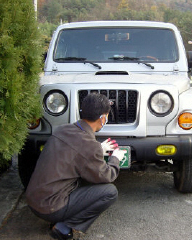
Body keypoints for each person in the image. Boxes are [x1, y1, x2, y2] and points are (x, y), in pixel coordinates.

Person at [25, 93, 126, 240]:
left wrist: (98, 148)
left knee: (83, 176)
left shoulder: (62, 130)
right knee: (109, 192)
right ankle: (64, 226)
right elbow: (106, 176)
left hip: (34, 201)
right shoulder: (89, 146)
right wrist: (116, 159)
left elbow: (77, 151)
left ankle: (59, 217)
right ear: (102, 118)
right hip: (50, 207)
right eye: (107, 116)